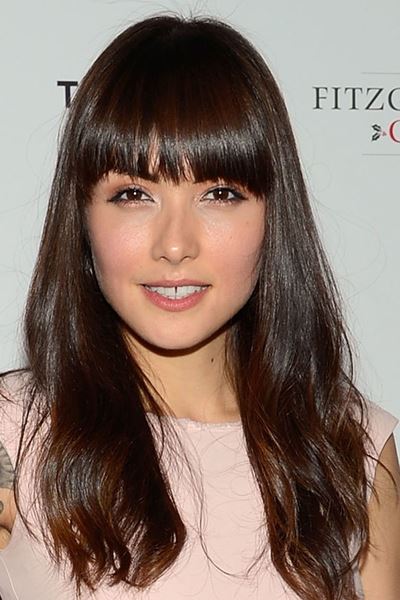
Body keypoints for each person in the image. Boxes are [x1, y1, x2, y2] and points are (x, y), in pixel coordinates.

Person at [0, 14, 399, 600]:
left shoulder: (350, 444)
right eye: (133, 194)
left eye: (220, 193)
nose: (175, 245)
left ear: (273, 213)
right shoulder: (13, 432)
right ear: (81, 215)